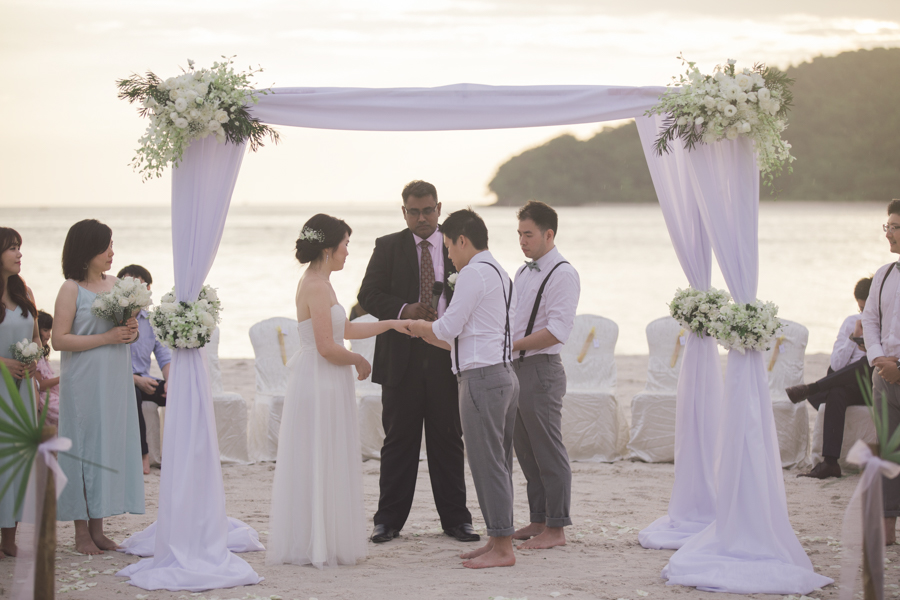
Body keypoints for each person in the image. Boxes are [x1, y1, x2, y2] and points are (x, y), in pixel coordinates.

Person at [267, 214, 412, 569]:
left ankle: (326, 537)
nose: (348, 252)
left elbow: (344, 327)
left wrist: (392, 324)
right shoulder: (315, 285)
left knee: (328, 451)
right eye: (346, 245)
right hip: (318, 377)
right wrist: (358, 362)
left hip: (327, 377)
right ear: (329, 248)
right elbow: (327, 346)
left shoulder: (322, 281)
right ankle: (314, 543)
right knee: (318, 452)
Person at [358, 180, 477, 544]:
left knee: (448, 439)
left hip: (446, 356)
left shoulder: (458, 243)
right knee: (398, 442)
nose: (422, 218)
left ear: (439, 208)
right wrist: (403, 309)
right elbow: (368, 295)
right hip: (400, 359)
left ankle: (457, 520)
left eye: (428, 210)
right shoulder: (388, 246)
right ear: (404, 211)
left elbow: (477, 289)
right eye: (414, 211)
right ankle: (387, 521)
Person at [409, 208, 519, 569]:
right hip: (502, 373)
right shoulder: (500, 273)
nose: (449, 256)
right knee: (498, 463)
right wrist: (430, 333)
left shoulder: (473, 273)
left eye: (448, 247)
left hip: (482, 380)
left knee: (488, 465)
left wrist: (415, 326)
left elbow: (448, 328)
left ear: (462, 239)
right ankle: (497, 538)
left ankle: (503, 548)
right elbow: (469, 335)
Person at [52, 219, 144, 555]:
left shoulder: (118, 284)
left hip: (115, 380)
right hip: (84, 381)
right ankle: (80, 533)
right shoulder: (71, 288)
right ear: (87, 249)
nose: (111, 252)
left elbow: (128, 333)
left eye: (112, 245)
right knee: (83, 449)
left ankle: (99, 528)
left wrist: (130, 330)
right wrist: (106, 337)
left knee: (106, 448)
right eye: (105, 246)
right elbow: (59, 339)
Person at [509, 201, 580, 549]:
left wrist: (509, 346)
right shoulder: (523, 272)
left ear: (549, 234)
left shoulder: (563, 273)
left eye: (529, 234)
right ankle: (538, 519)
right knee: (526, 451)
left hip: (542, 371)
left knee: (548, 451)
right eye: (519, 234)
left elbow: (556, 331)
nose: (522, 241)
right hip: (516, 371)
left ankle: (557, 528)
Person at [787, 277, 873, 479]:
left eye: (869, 309)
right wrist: (854, 338)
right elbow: (835, 366)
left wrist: (870, 345)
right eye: (861, 309)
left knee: (866, 363)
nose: (865, 314)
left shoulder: (890, 324)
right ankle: (830, 463)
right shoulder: (851, 322)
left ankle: (812, 389)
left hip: (877, 386)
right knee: (836, 391)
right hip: (850, 387)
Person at [860, 199, 900, 546]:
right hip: (883, 378)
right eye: (887, 226)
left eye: (895, 227)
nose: (889, 233)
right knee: (887, 452)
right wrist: (878, 360)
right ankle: (888, 533)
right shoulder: (884, 275)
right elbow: (870, 321)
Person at [0, 227, 40, 559]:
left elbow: (39, 340)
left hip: (23, 390)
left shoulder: (24, 291)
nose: (18, 253)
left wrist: (32, 359)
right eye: (12, 248)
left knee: (18, 461)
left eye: (19, 248)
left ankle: (9, 538)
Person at [117, 264, 170, 475]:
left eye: (142, 285)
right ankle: (143, 456)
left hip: (145, 378)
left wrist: (171, 382)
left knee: (181, 393)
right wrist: (136, 380)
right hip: (121, 380)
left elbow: (165, 357)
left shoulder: (151, 322)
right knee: (135, 393)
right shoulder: (113, 319)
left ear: (148, 290)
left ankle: (181, 452)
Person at [34, 310, 60, 427]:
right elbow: (40, 384)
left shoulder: (42, 355)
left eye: (50, 331)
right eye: (45, 330)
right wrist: (62, 377)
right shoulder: (35, 356)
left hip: (51, 395)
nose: (49, 335)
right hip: (45, 399)